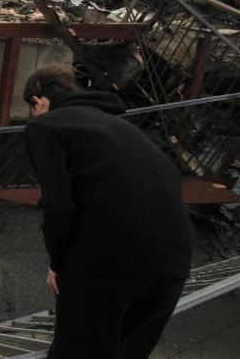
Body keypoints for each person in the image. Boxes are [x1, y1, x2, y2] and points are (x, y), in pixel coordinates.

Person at [22, 64, 195, 359]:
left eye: (33, 109)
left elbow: (58, 204)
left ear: (39, 101)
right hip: (174, 262)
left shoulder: (46, 126)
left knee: (77, 351)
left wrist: (58, 262)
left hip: (108, 260)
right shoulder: (123, 127)